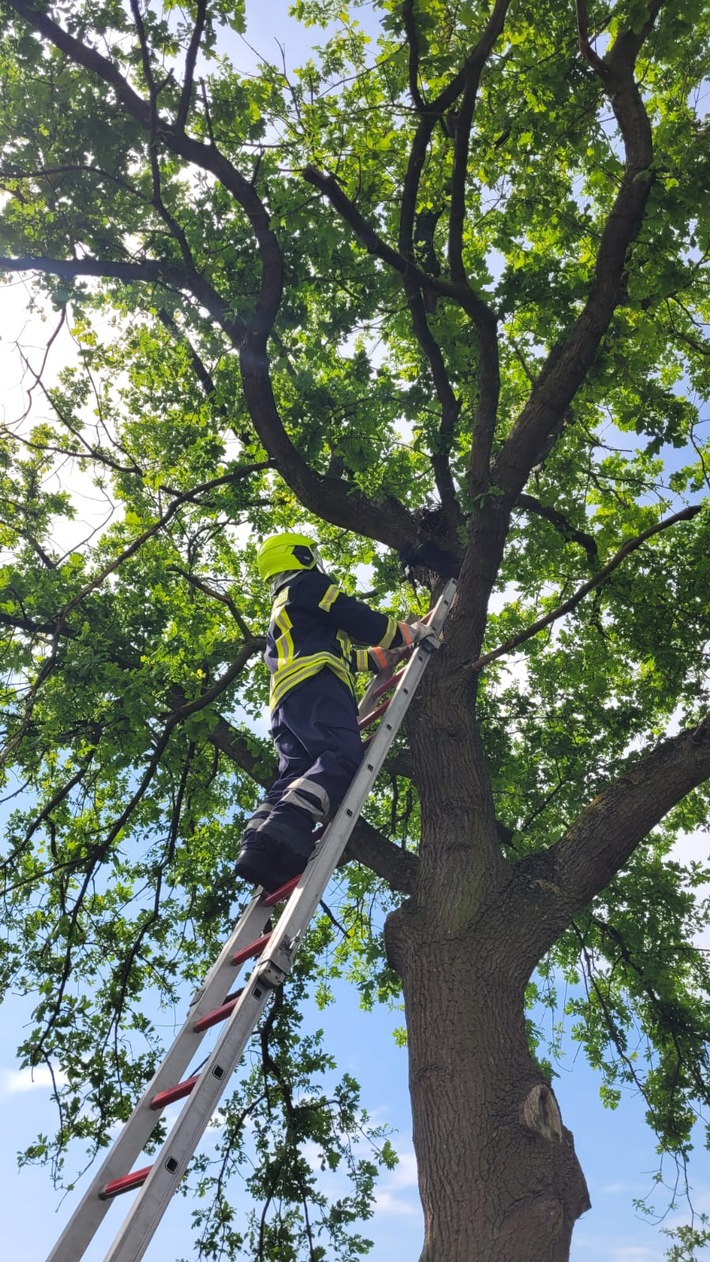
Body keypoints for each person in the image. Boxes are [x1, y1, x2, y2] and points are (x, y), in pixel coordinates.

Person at [234, 532, 432, 892]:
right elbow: (354, 615)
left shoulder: (285, 605)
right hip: (317, 684)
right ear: (300, 557)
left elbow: (334, 648)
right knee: (341, 754)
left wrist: (379, 659)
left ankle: (258, 847)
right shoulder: (309, 584)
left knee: (295, 771)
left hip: (287, 704)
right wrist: (408, 633)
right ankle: (288, 824)